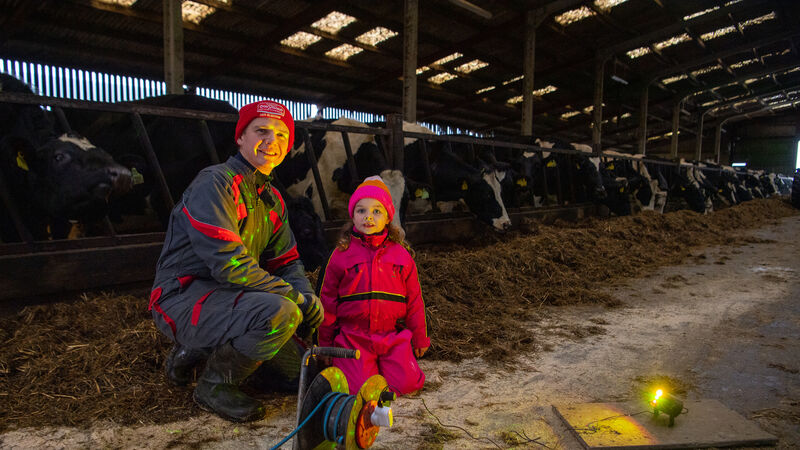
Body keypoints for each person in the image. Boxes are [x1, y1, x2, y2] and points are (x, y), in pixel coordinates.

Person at [148, 100, 323, 422]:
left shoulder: (271, 199)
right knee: (281, 312)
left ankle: (200, 351)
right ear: (240, 137)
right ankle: (213, 385)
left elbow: (288, 263)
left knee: (298, 374)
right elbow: (231, 267)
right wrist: (294, 298)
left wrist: (308, 296)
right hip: (184, 298)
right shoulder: (215, 183)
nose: (272, 141)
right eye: (261, 131)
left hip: (235, 299)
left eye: (282, 135)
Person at [317, 176, 430, 395]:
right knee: (357, 390)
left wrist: (419, 336)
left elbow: (415, 300)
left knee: (408, 385)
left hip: (391, 335)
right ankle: (366, 369)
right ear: (352, 216)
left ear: (388, 217)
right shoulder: (340, 256)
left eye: (377, 211)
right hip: (353, 337)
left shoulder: (402, 255)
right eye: (361, 211)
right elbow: (327, 302)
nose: (368, 216)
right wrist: (326, 343)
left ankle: (386, 366)